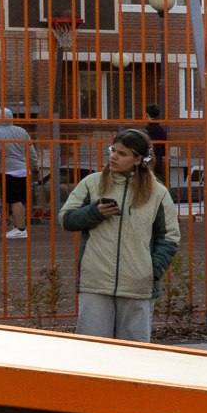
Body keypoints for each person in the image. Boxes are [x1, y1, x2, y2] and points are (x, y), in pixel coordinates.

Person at [60, 127, 181, 342]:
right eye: (112, 150)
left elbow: (170, 236)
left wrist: (152, 269)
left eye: (122, 153)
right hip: (96, 282)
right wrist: (93, 212)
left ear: (138, 160)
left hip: (137, 285)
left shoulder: (157, 192)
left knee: (133, 354)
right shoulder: (92, 183)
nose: (113, 156)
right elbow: (65, 218)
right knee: (94, 351)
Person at [0, 106, 37, 239]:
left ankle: (20, 229)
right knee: (20, 200)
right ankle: (18, 226)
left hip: (9, 170)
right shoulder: (22, 131)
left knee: (14, 200)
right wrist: (36, 166)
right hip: (25, 170)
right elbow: (31, 151)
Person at [142, 104, 169, 187]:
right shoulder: (162, 130)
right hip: (158, 160)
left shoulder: (146, 130)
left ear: (147, 115)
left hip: (147, 161)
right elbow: (165, 147)